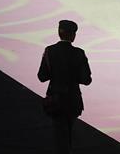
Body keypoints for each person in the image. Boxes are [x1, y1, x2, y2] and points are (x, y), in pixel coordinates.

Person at [37, 19, 92, 154]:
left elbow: (42, 76)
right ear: (73, 35)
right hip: (73, 100)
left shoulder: (50, 51)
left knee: (60, 136)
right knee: (67, 134)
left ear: (59, 32)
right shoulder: (79, 53)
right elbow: (86, 79)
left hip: (55, 100)